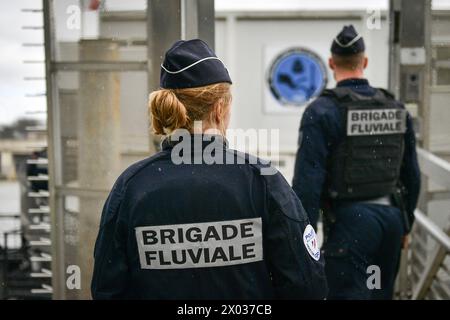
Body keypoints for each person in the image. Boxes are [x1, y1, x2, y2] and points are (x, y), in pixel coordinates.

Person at [91, 39, 328, 299]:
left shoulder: (131, 187)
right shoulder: (262, 181)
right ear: (218, 109)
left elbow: (106, 288)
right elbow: (306, 286)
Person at [292, 25, 421, 299]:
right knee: (380, 294)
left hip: (351, 223)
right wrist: (406, 223)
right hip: (391, 221)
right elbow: (412, 174)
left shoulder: (321, 111)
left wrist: (307, 239)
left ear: (330, 63)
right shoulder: (395, 108)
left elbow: (308, 182)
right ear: (364, 62)